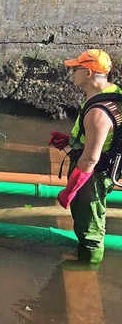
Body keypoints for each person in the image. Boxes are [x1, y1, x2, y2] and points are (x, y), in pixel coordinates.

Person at [48, 49, 120, 264]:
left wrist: (69, 190)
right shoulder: (111, 92)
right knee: (87, 220)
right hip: (102, 167)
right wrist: (71, 140)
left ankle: (88, 267)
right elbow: (104, 135)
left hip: (92, 175)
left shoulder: (98, 112)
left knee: (90, 228)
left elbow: (90, 160)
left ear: (88, 73)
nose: (72, 73)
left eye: (76, 69)